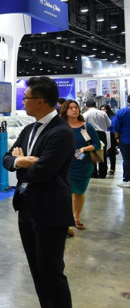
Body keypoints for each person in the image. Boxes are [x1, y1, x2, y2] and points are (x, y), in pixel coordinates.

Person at [2, 76, 74, 308]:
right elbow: (7, 158)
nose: (23, 102)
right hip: (27, 208)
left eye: (26, 98)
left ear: (41, 101)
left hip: (50, 211)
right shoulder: (29, 129)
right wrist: (20, 161)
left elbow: (42, 172)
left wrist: (20, 165)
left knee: (51, 274)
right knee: (38, 273)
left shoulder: (61, 132)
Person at [60, 99, 100, 232]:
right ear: (65, 110)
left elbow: (97, 144)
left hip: (83, 164)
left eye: (76, 107)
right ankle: (66, 219)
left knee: (78, 192)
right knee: (65, 192)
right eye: (71, 108)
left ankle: (76, 217)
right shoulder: (61, 127)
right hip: (64, 165)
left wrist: (85, 149)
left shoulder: (87, 127)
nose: (74, 110)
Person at [82, 100, 111, 178]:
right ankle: (103, 173)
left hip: (90, 135)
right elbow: (109, 124)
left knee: (91, 153)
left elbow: (83, 128)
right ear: (95, 106)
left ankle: (93, 173)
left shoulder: (85, 114)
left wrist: (86, 139)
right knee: (102, 153)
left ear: (86, 107)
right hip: (102, 134)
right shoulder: (103, 113)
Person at [112, 95, 130, 188]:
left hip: (126, 139)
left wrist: (117, 137)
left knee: (127, 159)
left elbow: (116, 126)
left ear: (128, 101)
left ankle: (127, 179)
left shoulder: (123, 112)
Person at [101, 104, 117, 175]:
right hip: (103, 135)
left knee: (111, 152)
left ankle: (112, 168)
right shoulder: (100, 117)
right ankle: (105, 167)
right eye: (101, 109)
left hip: (111, 135)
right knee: (103, 152)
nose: (103, 111)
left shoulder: (112, 117)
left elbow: (114, 126)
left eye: (104, 109)